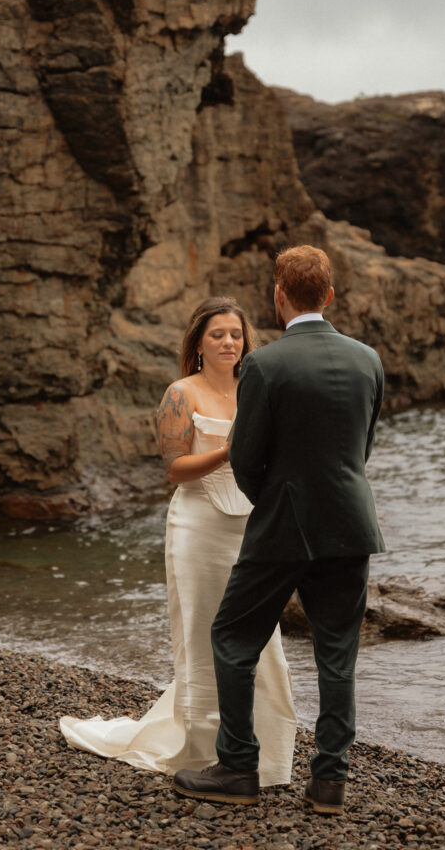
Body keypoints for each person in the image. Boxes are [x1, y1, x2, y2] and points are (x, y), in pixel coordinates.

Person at [173, 246, 385, 814]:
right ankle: (330, 782)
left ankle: (238, 767)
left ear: (279, 296)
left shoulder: (265, 365)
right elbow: (361, 448)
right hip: (351, 523)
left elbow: (245, 458)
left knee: (233, 638)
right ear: (331, 295)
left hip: (281, 527)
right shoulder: (368, 359)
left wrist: (274, 501)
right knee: (338, 654)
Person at [60, 297, 296, 786]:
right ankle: (200, 750)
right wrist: (230, 452)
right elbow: (173, 469)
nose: (229, 342)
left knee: (262, 637)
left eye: (235, 334)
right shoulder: (180, 393)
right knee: (204, 633)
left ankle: (266, 755)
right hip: (198, 528)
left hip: (252, 527)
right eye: (217, 335)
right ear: (198, 343)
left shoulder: (258, 387)